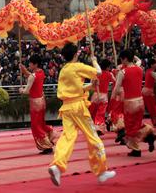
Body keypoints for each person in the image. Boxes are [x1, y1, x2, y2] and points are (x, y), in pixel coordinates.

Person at [48, 43, 116, 186]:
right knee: (93, 137)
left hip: (66, 107)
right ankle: (101, 171)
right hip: (78, 107)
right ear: (75, 54)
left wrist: (91, 86)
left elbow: (76, 88)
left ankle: (58, 166)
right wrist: (95, 60)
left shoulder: (63, 70)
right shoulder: (77, 66)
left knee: (67, 137)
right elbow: (98, 72)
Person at [112, 50, 156, 157]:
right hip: (140, 102)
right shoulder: (140, 69)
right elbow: (139, 61)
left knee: (130, 127)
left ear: (125, 59)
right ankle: (148, 135)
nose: (121, 61)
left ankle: (136, 149)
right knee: (137, 124)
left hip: (129, 103)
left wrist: (114, 98)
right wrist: (134, 56)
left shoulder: (122, 72)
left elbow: (117, 89)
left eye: (121, 59)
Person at [19, 55, 56, 154]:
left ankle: (47, 145)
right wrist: (24, 71)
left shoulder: (33, 76)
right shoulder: (41, 72)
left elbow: (27, 90)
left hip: (35, 103)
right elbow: (32, 77)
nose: (29, 64)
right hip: (41, 101)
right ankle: (49, 133)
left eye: (30, 63)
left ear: (35, 64)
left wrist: (21, 90)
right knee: (41, 123)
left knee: (36, 125)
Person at [88, 59, 115, 136]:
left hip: (96, 95)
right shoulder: (109, 74)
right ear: (107, 67)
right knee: (100, 113)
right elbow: (115, 81)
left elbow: (91, 85)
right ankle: (98, 127)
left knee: (92, 111)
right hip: (104, 96)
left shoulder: (96, 74)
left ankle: (92, 127)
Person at [142, 58, 156, 126]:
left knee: (152, 107)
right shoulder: (152, 72)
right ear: (152, 65)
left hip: (145, 91)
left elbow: (155, 74)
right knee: (153, 107)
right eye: (155, 63)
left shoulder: (148, 71)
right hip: (149, 92)